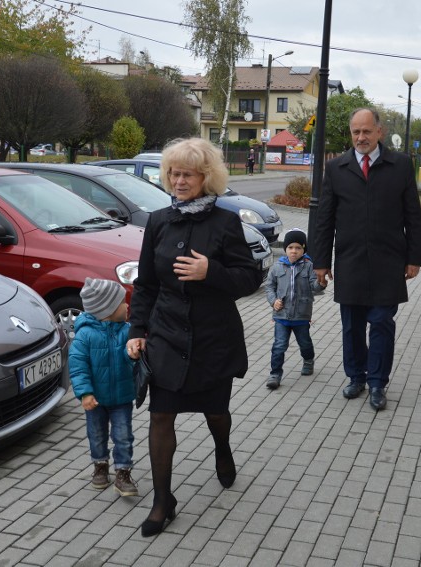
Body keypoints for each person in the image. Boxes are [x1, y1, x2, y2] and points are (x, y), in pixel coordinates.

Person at [126, 137, 262, 537]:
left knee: (215, 414)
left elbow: (250, 278)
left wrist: (212, 272)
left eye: (187, 174)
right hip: (167, 335)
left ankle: (222, 448)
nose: (178, 180)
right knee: (160, 415)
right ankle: (162, 501)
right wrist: (137, 330)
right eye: (173, 173)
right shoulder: (158, 221)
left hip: (212, 338)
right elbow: (146, 284)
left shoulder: (225, 222)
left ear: (206, 177)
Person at [313, 107, 421, 412]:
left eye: (366, 131)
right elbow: (324, 218)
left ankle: (377, 382)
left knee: (381, 324)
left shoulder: (400, 165)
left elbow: (413, 215)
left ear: (379, 132)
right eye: (355, 132)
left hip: (389, 262)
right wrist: (321, 262)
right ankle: (356, 377)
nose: (360, 138)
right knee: (351, 326)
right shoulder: (336, 168)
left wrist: (414, 257)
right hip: (349, 262)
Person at [68, 277, 139, 497]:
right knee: (96, 435)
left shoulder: (127, 331)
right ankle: (100, 466)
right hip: (95, 400)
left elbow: (131, 363)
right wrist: (85, 393)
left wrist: (132, 356)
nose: (127, 306)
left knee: (123, 435)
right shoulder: (84, 336)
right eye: (122, 302)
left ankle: (123, 472)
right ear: (107, 309)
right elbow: (78, 368)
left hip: (122, 398)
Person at [264, 228, 326, 390]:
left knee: (304, 342)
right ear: (285, 249)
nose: (294, 251)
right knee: (279, 345)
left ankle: (308, 360)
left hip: (301, 315)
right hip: (281, 315)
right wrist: (273, 301)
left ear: (303, 249)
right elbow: (269, 286)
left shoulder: (309, 266)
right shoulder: (277, 267)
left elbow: (314, 286)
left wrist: (321, 283)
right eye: (291, 247)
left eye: (298, 248)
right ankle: (275, 373)